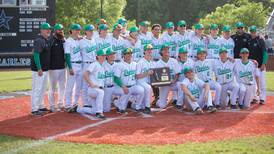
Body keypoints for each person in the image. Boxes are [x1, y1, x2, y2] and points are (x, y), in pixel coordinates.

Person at [113, 48, 145, 113]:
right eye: (127, 53)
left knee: (141, 90)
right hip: (121, 87)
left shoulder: (135, 64)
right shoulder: (119, 65)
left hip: (133, 86)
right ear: (123, 55)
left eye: (130, 53)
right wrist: (123, 86)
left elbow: (138, 75)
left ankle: (137, 106)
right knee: (123, 105)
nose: (129, 55)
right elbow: (116, 78)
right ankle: (118, 105)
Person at [31, 22, 52, 116]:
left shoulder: (46, 40)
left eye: (49, 29)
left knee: (43, 89)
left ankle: (40, 106)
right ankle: (34, 109)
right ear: (41, 30)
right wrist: (39, 68)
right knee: (37, 89)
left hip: (45, 69)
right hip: (39, 70)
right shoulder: (39, 40)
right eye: (46, 29)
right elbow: (36, 55)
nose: (48, 30)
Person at [155, 44, 181, 109]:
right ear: (161, 52)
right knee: (162, 106)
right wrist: (162, 83)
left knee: (181, 85)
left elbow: (177, 73)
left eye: (168, 49)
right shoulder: (158, 63)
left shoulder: (174, 61)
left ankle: (179, 103)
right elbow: (156, 77)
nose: (167, 50)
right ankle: (158, 101)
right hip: (164, 85)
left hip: (173, 83)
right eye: (165, 49)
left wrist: (174, 81)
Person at [82, 49, 106, 120]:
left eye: (104, 55)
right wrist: (91, 83)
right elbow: (85, 74)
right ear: (97, 56)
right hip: (93, 90)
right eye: (102, 55)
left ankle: (78, 109)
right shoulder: (94, 64)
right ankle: (99, 113)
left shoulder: (103, 65)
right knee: (101, 92)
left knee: (93, 111)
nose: (103, 57)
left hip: (97, 90)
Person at [247, 26, 268, 104]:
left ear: (256, 31)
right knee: (253, 83)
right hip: (252, 66)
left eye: (254, 31)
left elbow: (265, 53)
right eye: (251, 31)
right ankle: (254, 97)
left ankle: (262, 98)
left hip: (260, 66)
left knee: (262, 83)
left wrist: (264, 63)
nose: (253, 33)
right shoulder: (249, 40)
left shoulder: (260, 40)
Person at [64, 23, 82, 112]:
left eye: (78, 30)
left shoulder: (79, 40)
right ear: (71, 30)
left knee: (78, 86)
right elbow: (67, 55)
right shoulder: (68, 41)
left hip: (80, 65)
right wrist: (70, 67)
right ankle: (67, 104)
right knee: (70, 86)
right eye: (75, 29)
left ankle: (75, 103)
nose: (77, 31)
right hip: (73, 64)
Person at [48, 23, 66, 112]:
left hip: (62, 67)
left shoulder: (63, 40)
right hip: (53, 68)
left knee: (62, 87)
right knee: (52, 87)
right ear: (55, 31)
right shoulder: (51, 40)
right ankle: (51, 105)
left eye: (62, 29)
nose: (61, 31)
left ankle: (60, 103)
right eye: (59, 29)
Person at [79, 24, 97, 107]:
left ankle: (91, 101)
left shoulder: (94, 40)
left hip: (94, 64)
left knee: (93, 82)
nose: (91, 32)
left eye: (92, 30)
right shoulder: (81, 41)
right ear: (86, 32)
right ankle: (85, 102)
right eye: (90, 30)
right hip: (86, 64)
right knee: (85, 84)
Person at [136, 44, 155, 114]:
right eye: (148, 49)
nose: (149, 51)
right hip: (140, 81)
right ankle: (147, 107)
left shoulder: (151, 62)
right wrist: (147, 73)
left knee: (148, 87)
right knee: (148, 87)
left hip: (147, 81)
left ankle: (137, 105)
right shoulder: (140, 62)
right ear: (144, 51)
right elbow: (137, 76)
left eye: (150, 49)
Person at [102, 48, 117, 112]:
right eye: (111, 54)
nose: (113, 55)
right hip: (106, 88)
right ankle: (79, 109)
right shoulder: (102, 65)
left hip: (115, 87)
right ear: (107, 56)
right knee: (106, 110)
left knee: (126, 91)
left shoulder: (117, 65)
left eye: (113, 54)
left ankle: (118, 102)